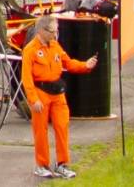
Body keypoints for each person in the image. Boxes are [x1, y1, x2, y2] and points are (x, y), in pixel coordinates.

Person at [22, 19, 97, 178]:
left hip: (58, 93)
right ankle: (42, 164)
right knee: (40, 130)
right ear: (41, 30)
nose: (55, 35)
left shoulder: (55, 46)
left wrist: (85, 65)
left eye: (57, 31)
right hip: (40, 93)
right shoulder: (30, 50)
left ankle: (62, 164)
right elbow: (26, 78)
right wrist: (33, 99)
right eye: (52, 31)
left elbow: (68, 63)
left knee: (62, 127)